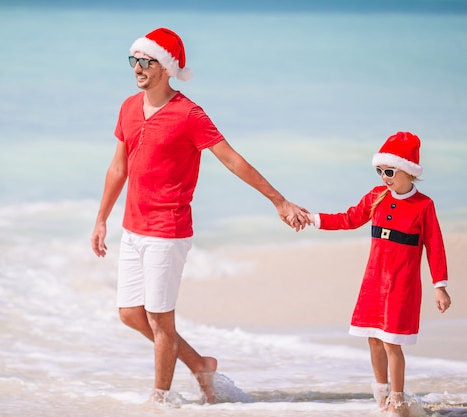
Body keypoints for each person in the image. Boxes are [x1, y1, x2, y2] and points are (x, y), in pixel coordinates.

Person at [90, 27, 309, 404]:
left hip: (168, 229)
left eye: (146, 61)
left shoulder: (189, 114)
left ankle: (159, 400)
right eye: (134, 60)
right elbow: (117, 168)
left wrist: (279, 200)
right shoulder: (128, 107)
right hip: (133, 227)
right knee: (129, 313)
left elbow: (231, 159)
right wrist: (101, 219)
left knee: (160, 320)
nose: (138, 68)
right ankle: (199, 364)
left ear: (166, 68)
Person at [304, 132, 451, 416]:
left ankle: (397, 402)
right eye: (380, 171)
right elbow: (348, 219)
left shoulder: (424, 206)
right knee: (373, 339)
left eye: (389, 171)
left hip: (402, 285)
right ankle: (381, 397)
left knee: (391, 343)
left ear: (408, 170)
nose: (384, 177)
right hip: (374, 282)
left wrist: (440, 286)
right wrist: (313, 218)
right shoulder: (376, 196)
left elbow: (435, 246)